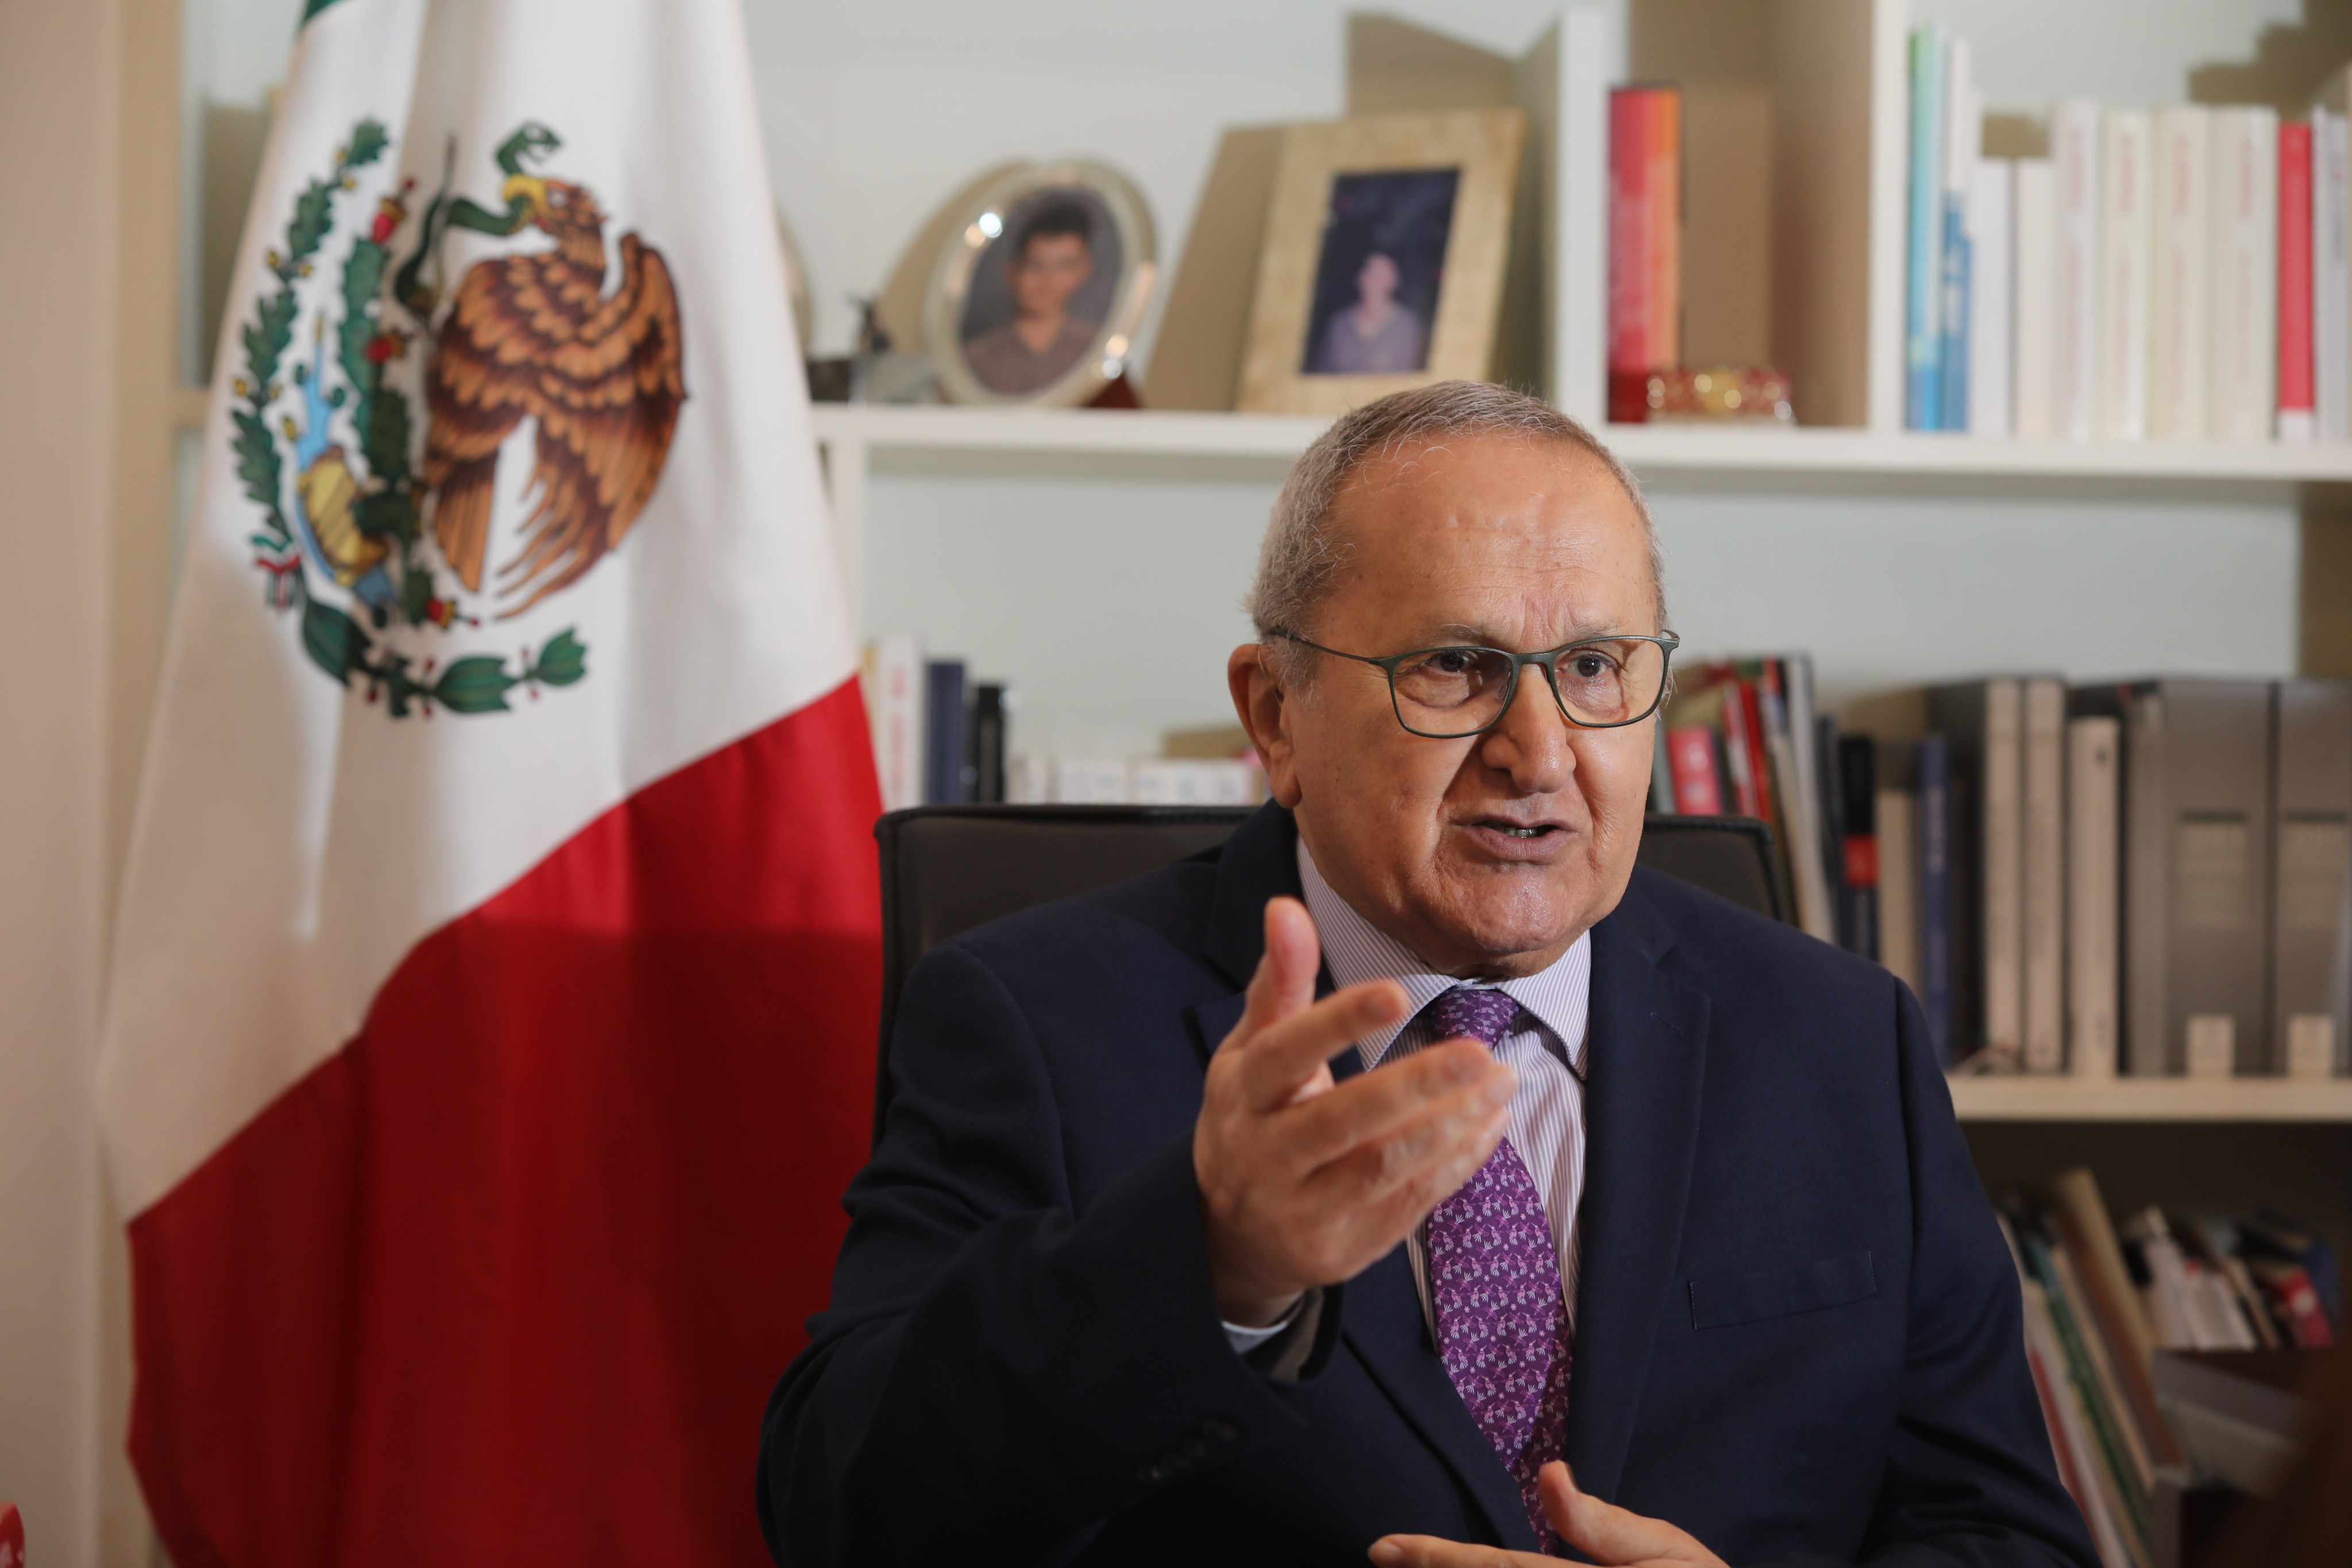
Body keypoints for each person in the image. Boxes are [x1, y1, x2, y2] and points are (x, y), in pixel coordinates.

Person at [758, 381, 2099, 1568]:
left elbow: (2003, 1533)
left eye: (1592, 667)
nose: (1540, 747)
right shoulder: (1033, 1020)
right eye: (1456, 668)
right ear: (1276, 716)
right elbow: (845, 1513)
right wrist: (1208, 1265)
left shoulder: (1839, 1037)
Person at [962, 199, 1102, 396]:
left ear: (1084, 270)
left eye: (1064, 266)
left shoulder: (1097, 352)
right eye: (1035, 265)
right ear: (1011, 270)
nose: (1047, 281)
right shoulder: (976, 359)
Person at [1311, 250, 1428, 375]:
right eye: (1370, 271)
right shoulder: (1339, 322)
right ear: (1360, 277)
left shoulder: (1407, 324)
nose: (1375, 279)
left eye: (1383, 274)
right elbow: (1320, 373)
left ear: (1395, 280)